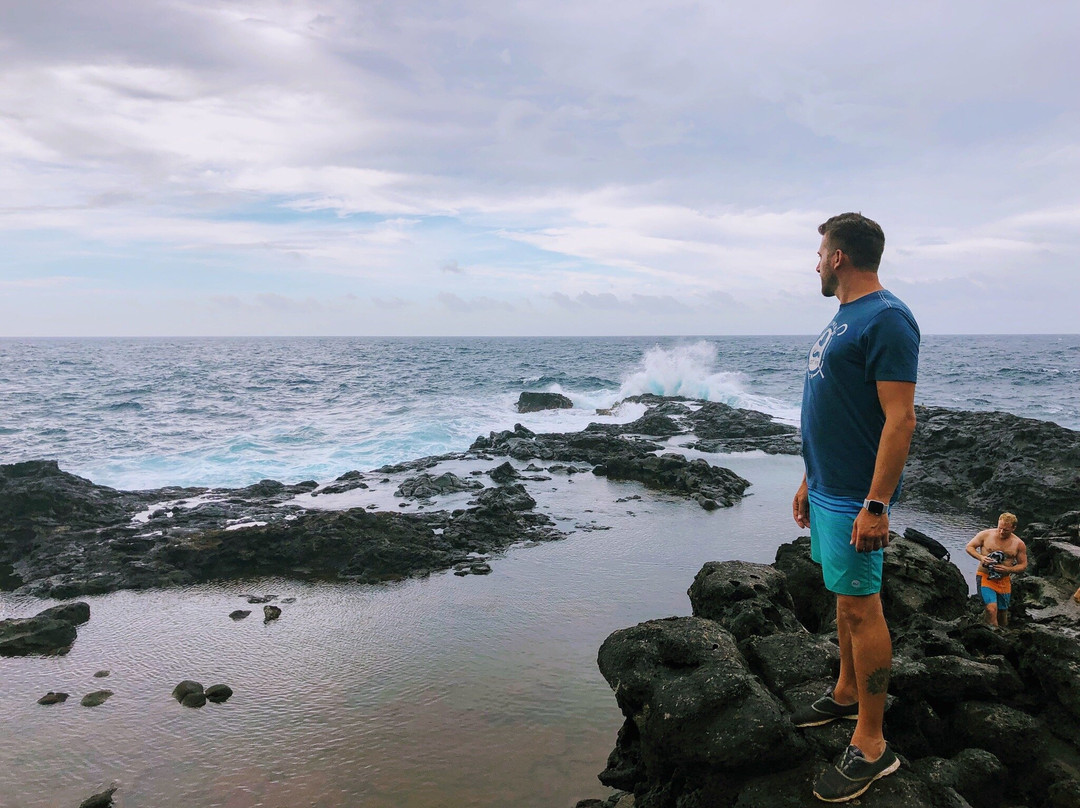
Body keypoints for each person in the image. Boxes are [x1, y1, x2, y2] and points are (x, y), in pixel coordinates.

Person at [790, 213, 920, 803]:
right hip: (827, 490)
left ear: (839, 257)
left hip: (854, 500)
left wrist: (875, 504)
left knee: (864, 610)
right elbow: (839, 409)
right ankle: (845, 692)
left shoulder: (888, 319)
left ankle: (872, 744)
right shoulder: (844, 318)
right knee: (845, 603)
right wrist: (806, 478)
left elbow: (900, 418)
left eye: (820, 252)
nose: (815, 262)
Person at [965, 513, 1028, 626]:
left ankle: (1003, 633)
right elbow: (969, 547)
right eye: (1000, 528)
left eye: (1006, 530)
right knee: (991, 609)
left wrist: (1008, 569)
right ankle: (994, 633)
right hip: (985, 577)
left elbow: (1023, 565)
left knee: (1002, 612)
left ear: (1014, 528)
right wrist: (981, 557)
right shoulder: (985, 535)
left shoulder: (1018, 544)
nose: (1002, 532)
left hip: (1003, 580)